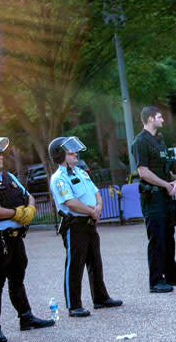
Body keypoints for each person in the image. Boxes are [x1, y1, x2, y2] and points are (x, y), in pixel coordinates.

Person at [0, 137, 54, 342]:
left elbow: (28, 195)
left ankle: (26, 317)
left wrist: (30, 209)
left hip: (15, 239)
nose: (0, 158)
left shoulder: (8, 177)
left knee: (17, 278)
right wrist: (15, 213)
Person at [48, 135, 122, 317]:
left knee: (95, 262)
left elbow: (96, 193)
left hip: (90, 223)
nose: (74, 154)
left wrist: (98, 208)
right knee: (75, 265)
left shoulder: (81, 172)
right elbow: (70, 202)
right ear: (60, 155)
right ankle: (74, 305)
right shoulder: (59, 178)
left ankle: (100, 298)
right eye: (69, 151)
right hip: (75, 225)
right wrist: (91, 211)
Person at [131, 106, 176, 293]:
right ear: (150, 119)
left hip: (165, 196)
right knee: (157, 239)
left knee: (168, 237)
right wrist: (165, 185)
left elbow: (165, 167)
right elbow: (143, 172)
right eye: (159, 117)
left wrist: (172, 182)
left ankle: (172, 275)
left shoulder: (159, 140)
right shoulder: (140, 142)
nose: (163, 120)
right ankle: (156, 281)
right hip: (153, 197)